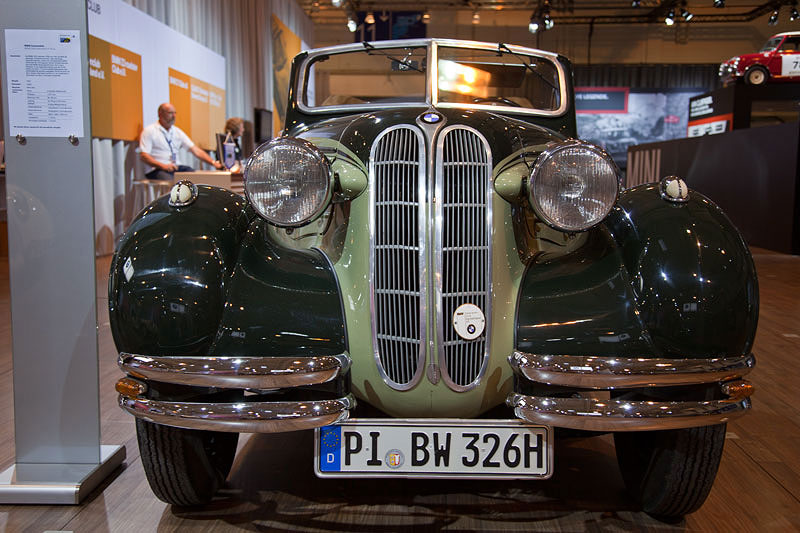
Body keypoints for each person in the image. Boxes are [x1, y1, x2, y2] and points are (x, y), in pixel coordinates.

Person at [139, 102, 222, 180]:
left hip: (175, 168)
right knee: (173, 183)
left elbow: (195, 150)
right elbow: (144, 156)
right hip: (157, 169)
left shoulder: (177, 132)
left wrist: (213, 163)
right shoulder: (150, 131)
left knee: (196, 178)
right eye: (170, 113)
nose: (174, 116)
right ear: (160, 114)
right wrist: (163, 166)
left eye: (175, 113)